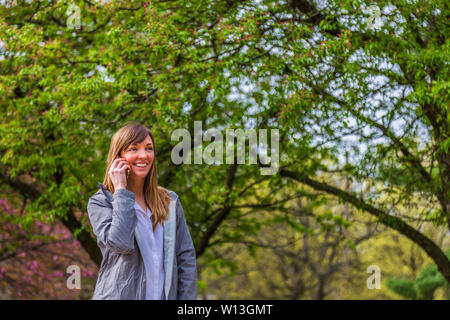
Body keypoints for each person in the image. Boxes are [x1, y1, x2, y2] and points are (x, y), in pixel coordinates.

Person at [87, 123, 197, 300]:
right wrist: (121, 190)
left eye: (149, 148)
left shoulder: (170, 201)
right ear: (118, 156)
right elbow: (121, 243)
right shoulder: (101, 202)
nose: (143, 155)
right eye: (133, 149)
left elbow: (185, 258)